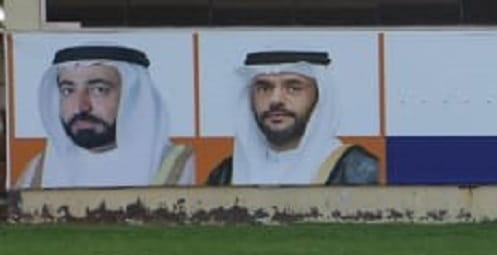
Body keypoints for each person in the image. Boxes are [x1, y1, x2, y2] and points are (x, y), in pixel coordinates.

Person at [19, 43, 194, 189]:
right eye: (68, 90)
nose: (81, 107)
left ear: (133, 97)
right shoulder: (38, 170)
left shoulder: (178, 167)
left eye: (99, 90)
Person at [208, 50, 380, 187]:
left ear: (320, 97)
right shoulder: (225, 175)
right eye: (264, 88)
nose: (275, 100)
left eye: (293, 88)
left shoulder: (358, 169)